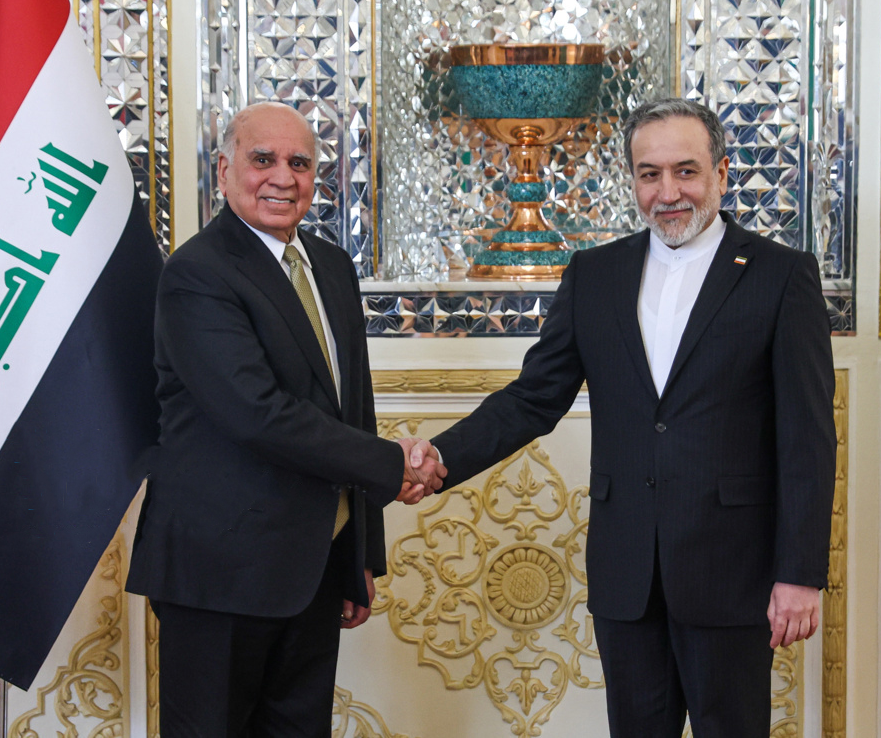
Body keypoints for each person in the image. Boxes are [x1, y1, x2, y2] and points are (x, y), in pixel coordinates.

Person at [414, 98, 837, 737]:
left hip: (732, 569)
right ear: (632, 181)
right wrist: (442, 456)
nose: (668, 193)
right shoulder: (595, 274)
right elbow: (533, 398)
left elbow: (807, 436)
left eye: (686, 171)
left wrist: (800, 574)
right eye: (649, 174)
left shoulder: (781, 275)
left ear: (721, 173)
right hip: (626, 569)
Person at [126, 102, 445, 738]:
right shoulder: (196, 273)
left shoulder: (330, 266)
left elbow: (353, 406)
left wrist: (358, 554)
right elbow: (258, 414)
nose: (282, 177)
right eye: (262, 159)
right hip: (219, 574)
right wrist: (393, 465)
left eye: (299, 163)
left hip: (313, 570)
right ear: (224, 171)